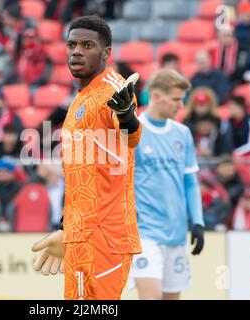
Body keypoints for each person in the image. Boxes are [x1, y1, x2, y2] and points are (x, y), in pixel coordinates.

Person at [31, 15, 142, 300]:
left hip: (105, 235)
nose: (76, 51)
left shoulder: (113, 89)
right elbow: (83, 174)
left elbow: (132, 135)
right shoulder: (80, 97)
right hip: (81, 233)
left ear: (106, 53)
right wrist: (68, 228)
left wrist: (127, 115)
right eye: (71, 45)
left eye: (87, 45)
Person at [127, 69, 205, 300]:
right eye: (176, 99)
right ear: (157, 95)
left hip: (176, 234)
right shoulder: (134, 130)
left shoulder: (182, 133)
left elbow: (190, 182)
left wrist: (198, 223)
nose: (180, 106)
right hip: (145, 233)